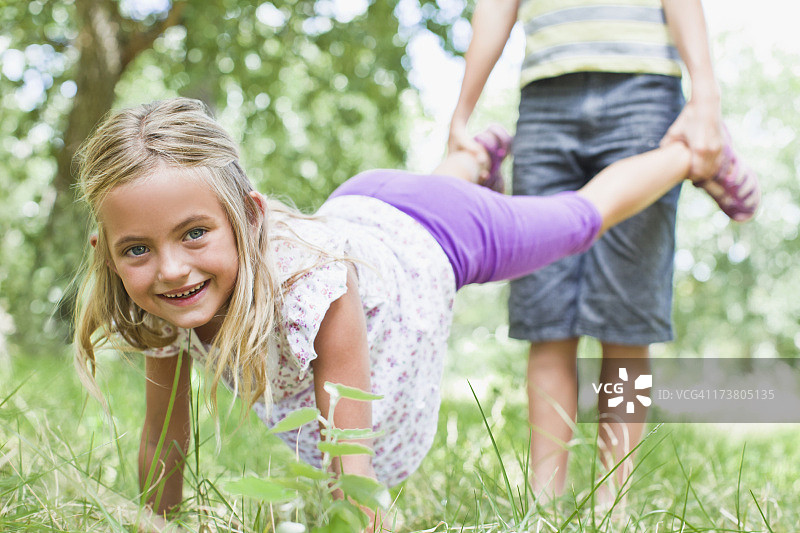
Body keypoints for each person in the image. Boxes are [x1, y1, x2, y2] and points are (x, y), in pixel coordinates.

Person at [72, 98, 753, 520]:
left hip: (437, 232)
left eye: (195, 233)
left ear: (248, 217)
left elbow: (353, 469)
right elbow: (164, 442)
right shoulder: (160, 298)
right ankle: (469, 159)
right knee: (433, 199)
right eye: (138, 249)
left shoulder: (314, 285)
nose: (171, 268)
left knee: (578, 221)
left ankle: (688, 154)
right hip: (367, 212)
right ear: (107, 251)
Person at [447, 0, 760, 499]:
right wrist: (461, 114)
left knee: (626, 318)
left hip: (644, 91)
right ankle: (543, 504)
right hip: (545, 101)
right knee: (545, 316)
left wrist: (706, 97)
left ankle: (614, 504)